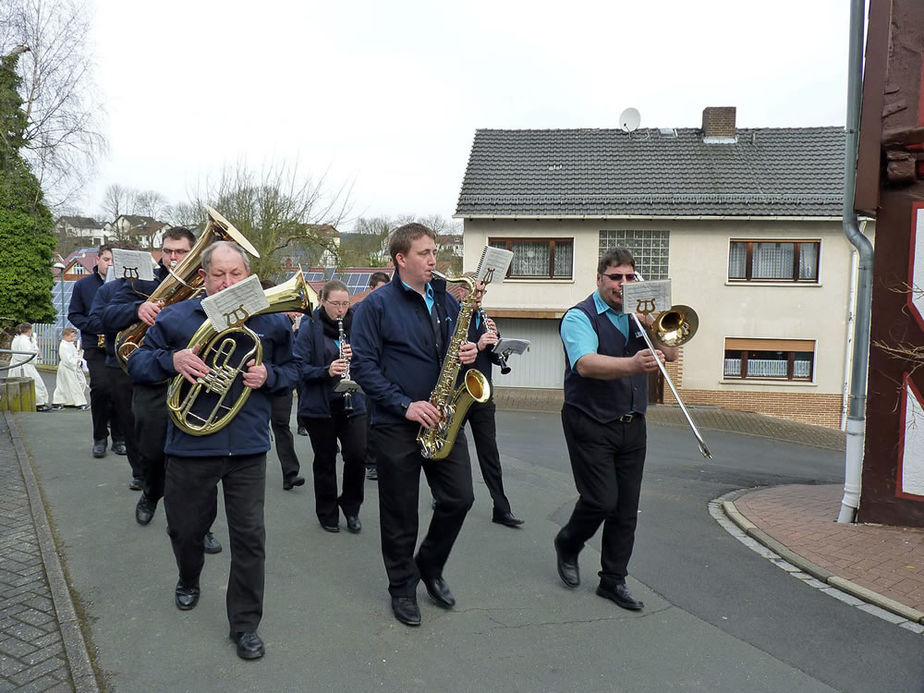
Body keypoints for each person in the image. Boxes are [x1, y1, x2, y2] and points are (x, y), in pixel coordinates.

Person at [127, 240, 300, 660]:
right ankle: (189, 577)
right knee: (185, 530)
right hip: (190, 446)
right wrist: (173, 361)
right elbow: (136, 363)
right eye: (218, 274)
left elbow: (295, 369)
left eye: (236, 274)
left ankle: (245, 626)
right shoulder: (176, 317)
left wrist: (270, 374)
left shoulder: (270, 320)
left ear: (247, 276)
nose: (227, 282)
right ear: (203, 277)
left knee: (250, 539)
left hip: (247, 448)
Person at [351, 223, 478, 627]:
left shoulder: (446, 301)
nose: (433, 259)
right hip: (396, 424)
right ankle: (402, 589)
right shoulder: (375, 306)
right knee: (401, 513)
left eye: (433, 251)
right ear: (400, 259)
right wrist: (405, 405)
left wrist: (470, 350)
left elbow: (457, 347)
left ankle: (429, 565)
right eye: (424, 253)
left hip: (442, 418)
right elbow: (363, 367)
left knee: (460, 499)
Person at [554, 247, 677, 612]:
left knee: (626, 509)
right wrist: (633, 364)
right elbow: (586, 364)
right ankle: (568, 543)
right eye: (615, 278)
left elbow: (670, 356)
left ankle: (612, 580)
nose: (622, 285)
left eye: (629, 277)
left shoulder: (640, 315)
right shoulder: (580, 317)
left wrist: (653, 325)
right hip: (589, 420)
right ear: (599, 279)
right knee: (600, 500)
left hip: (632, 422)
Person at [100, 229, 219, 555]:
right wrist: (137, 311)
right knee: (151, 451)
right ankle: (152, 492)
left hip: (197, 384)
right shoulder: (140, 283)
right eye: (168, 251)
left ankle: (202, 525)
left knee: (201, 464)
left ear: (194, 253)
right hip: (152, 379)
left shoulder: (208, 285)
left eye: (181, 252)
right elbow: (105, 316)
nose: (174, 258)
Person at [294, 280, 365, 533]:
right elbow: (299, 368)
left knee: (357, 455)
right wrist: (327, 370)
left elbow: (370, 361)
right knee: (325, 460)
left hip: (352, 401)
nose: (341, 309)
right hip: (319, 405)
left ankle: (351, 506)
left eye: (345, 304)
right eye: (335, 304)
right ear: (322, 301)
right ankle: (327, 512)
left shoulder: (357, 325)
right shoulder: (309, 326)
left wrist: (355, 359)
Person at [457, 277, 523, 528]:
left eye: (482, 292)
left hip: (482, 394)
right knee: (450, 446)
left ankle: (501, 508)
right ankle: (443, 493)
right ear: (463, 290)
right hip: (458, 392)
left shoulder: (485, 319)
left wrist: (500, 347)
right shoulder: (453, 316)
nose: (479, 296)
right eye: (475, 292)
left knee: (490, 453)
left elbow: (493, 357)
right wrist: (477, 344)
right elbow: (449, 353)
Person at [68, 245, 124, 456]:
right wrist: (97, 327)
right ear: (98, 260)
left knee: (120, 391)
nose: (110, 264)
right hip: (96, 344)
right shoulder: (83, 285)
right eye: (106, 259)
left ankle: (120, 438)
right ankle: (100, 437)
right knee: (100, 388)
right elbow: (74, 315)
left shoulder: (124, 285)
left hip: (118, 345)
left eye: (113, 260)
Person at [363, 270, 391, 481]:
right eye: (378, 290)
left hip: (387, 372)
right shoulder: (359, 310)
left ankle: (383, 459)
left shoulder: (390, 311)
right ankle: (370, 462)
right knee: (369, 419)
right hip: (368, 372)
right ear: (371, 289)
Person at [9, 323, 50, 411]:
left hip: (17, 364)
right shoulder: (24, 340)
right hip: (25, 365)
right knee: (35, 384)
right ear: (29, 330)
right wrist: (36, 353)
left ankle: (25, 403)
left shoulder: (16, 339)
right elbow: (27, 355)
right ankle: (38, 404)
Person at [52, 327, 88, 408]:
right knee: (70, 384)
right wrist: (76, 361)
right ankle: (79, 403)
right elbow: (67, 359)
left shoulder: (70, 344)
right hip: (66, 367)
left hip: (72, 366)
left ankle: (70, 401)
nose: (74, 338)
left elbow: (73, 355)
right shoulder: (64, 345)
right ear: (65, 336)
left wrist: (78, 359)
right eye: (72, 336)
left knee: (79, 382)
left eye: (75, 336)